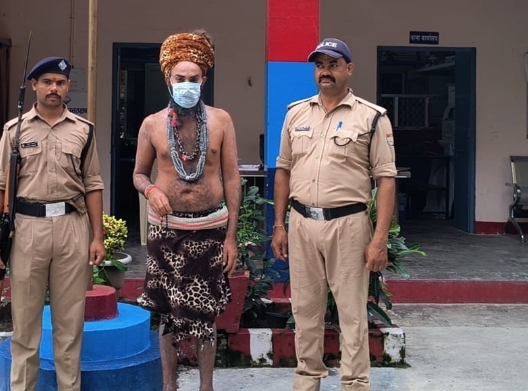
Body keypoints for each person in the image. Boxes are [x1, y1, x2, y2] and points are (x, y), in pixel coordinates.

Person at [270, 38, 397, 391]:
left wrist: (379, 239)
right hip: (302, 223)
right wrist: (279, 224)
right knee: (305, 311)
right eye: (320, 65)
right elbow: (283, 170)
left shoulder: (371, 117)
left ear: (349, 69)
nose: (325, 71)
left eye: (333, 64)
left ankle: (354, 384)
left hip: (349, 225)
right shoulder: (296, 113)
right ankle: (307, 381)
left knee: (352, 314)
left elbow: (386, 180)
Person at [0, 56, 106, 391]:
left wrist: (97, 237)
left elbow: (93, 184)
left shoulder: (84, 130)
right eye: (48, 82)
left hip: (71, 227)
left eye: (61, 83)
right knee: (25, 327)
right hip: (27, 229)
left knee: (70, 326)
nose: (55, 88)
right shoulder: (14, 130)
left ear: (68, 88)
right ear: (35, 86)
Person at [133, 30, 241, 391]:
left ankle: (206, 386)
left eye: (194, 79)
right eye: (180, 79)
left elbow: (232, 179)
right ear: (168, 79)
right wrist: (151, 189)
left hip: (210, 230)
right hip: (166, 231)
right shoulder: (151, 124)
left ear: (204, 80)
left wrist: (231, 238)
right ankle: (169, 385)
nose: (187, 85)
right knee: (167, 312)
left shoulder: (221, 121)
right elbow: (138, 174)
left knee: (206, 314)